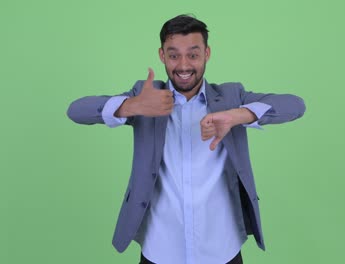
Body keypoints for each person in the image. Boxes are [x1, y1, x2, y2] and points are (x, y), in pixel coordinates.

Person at [67, 14, 305, 264]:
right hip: (159, 249)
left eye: (193, 54)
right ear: (161, 55)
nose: (183, 65)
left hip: (221, 250)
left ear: (207, 53)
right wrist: (132, 105)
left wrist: (238, 115)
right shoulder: (146, 97)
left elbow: (295, 105)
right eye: (173, 55)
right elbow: (76, 110)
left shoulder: (230, 96)